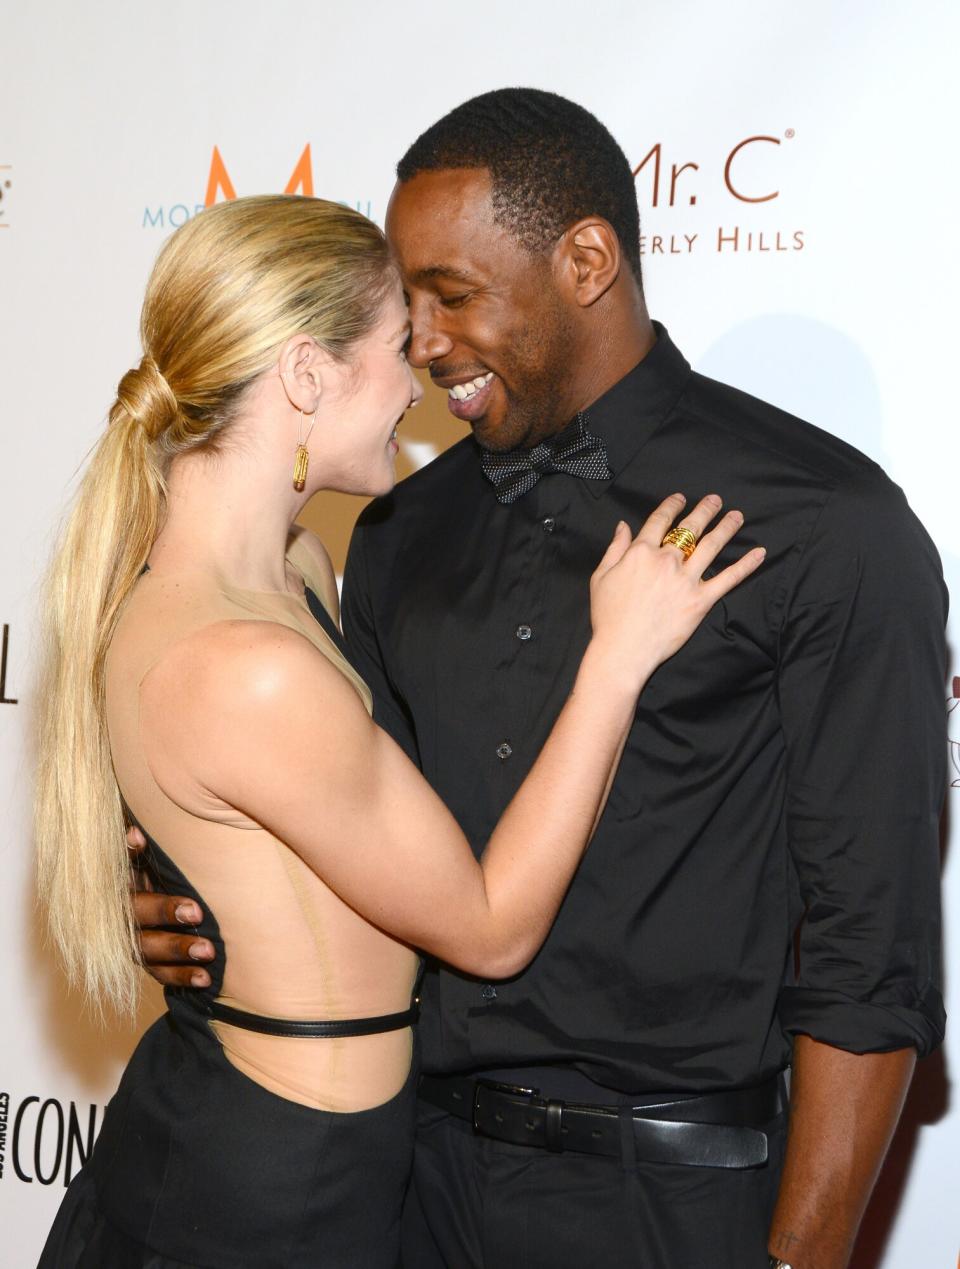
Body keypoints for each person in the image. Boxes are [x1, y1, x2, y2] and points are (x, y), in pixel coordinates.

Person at [133, 92, 947, 1269]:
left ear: (586, 260)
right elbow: (358, 836)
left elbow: (874, 962)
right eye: (407, 302)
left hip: (670, 1208)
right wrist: (192, 889)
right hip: (403, 1185)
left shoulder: (827, 528)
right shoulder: (400, 531)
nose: (418, 342)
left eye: (451, 295)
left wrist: (806, 1253)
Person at [34, 192, 760, 1268]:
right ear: (305, 376)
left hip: (303, 1146)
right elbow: (488, 928)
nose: (418, 377)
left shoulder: (289, 577)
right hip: (266, 1187)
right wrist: (618, 658)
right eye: (392, 345)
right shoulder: (249, 667)